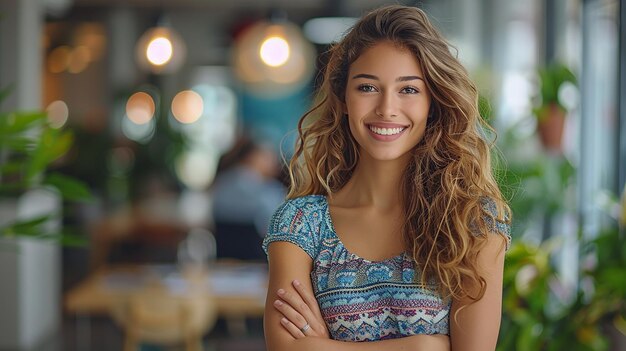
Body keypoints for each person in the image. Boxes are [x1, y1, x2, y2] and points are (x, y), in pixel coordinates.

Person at [262, 4, 511, 351]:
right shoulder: (302, 223)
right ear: (344, 98)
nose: (386, 108)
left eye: (408, 89)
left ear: (432, 102)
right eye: (367, 87)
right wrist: (423, 347)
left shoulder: (472, 222)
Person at [211, 135, 286, 260]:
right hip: (260, 264)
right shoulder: (269, 192)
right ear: (252, 157)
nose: (274, 161)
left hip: (224, 262)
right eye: (268, 156)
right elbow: (278, 231)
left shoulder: (221, 183)